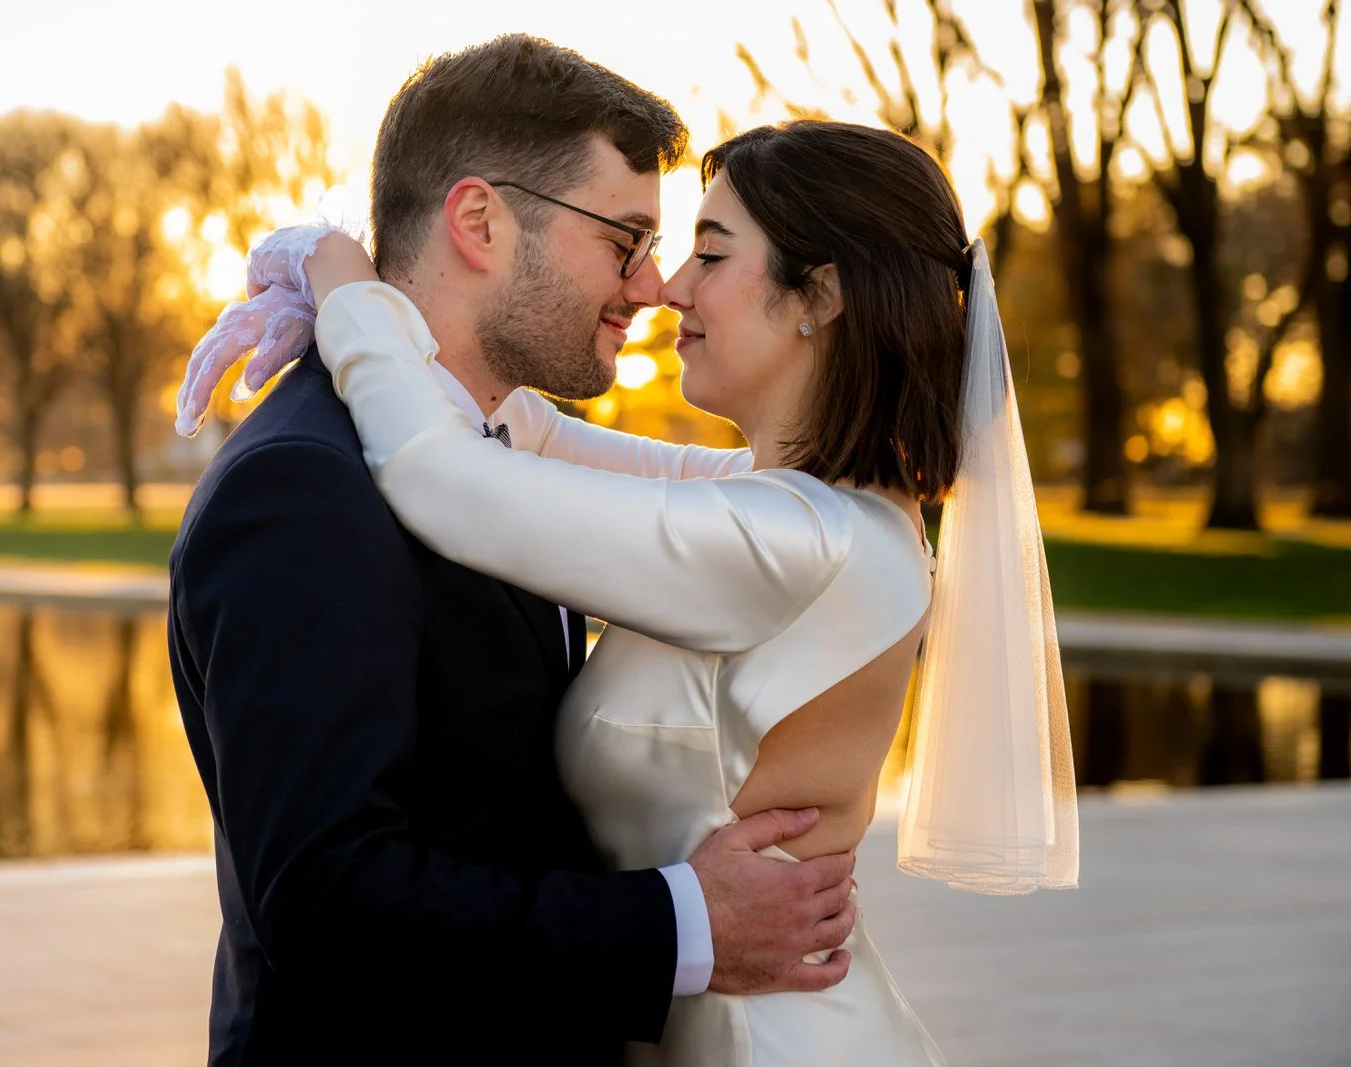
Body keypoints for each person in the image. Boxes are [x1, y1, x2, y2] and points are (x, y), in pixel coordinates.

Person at [183, 115, 1079, 1064]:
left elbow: (446, 475)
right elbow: (525, 434)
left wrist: (342, 285)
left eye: (709, 252)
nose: (669, 287)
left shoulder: (795, 540)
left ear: (819, 295)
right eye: (645, 246)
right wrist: (410, 328)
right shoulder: (807, 508)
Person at [167, 36, 863, 1067]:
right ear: (480, 222)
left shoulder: (497, 443)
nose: (649, 286)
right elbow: (326, 896)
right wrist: (683, 921)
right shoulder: (303, 488)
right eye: (624, 239)